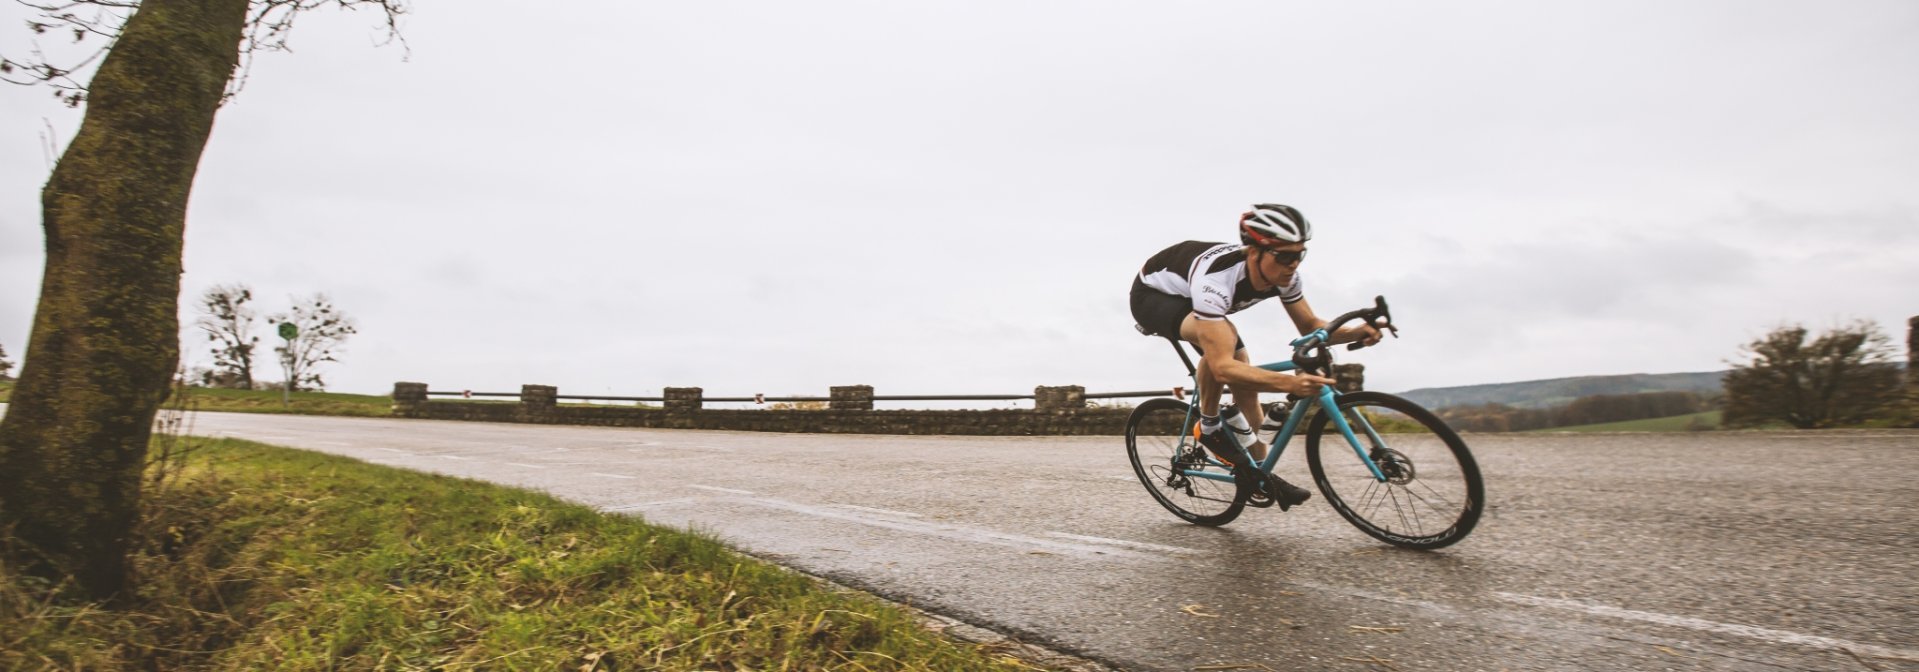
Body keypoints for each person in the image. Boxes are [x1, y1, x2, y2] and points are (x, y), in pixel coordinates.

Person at [1129, 203, 1381, 509]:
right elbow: (1221, 367)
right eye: (1285, 256)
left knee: (1245, 381)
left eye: (1299, 254)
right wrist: (1289, 384)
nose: (1293, 265)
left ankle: (1259, 473)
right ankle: (1210, 428)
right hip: (1154, 296)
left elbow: (1310, 325)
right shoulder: (1216, 281)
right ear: (1254, 252)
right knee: (1225, 347)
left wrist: (1357, 332)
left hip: (1193, 295)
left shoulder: (1285, 277)